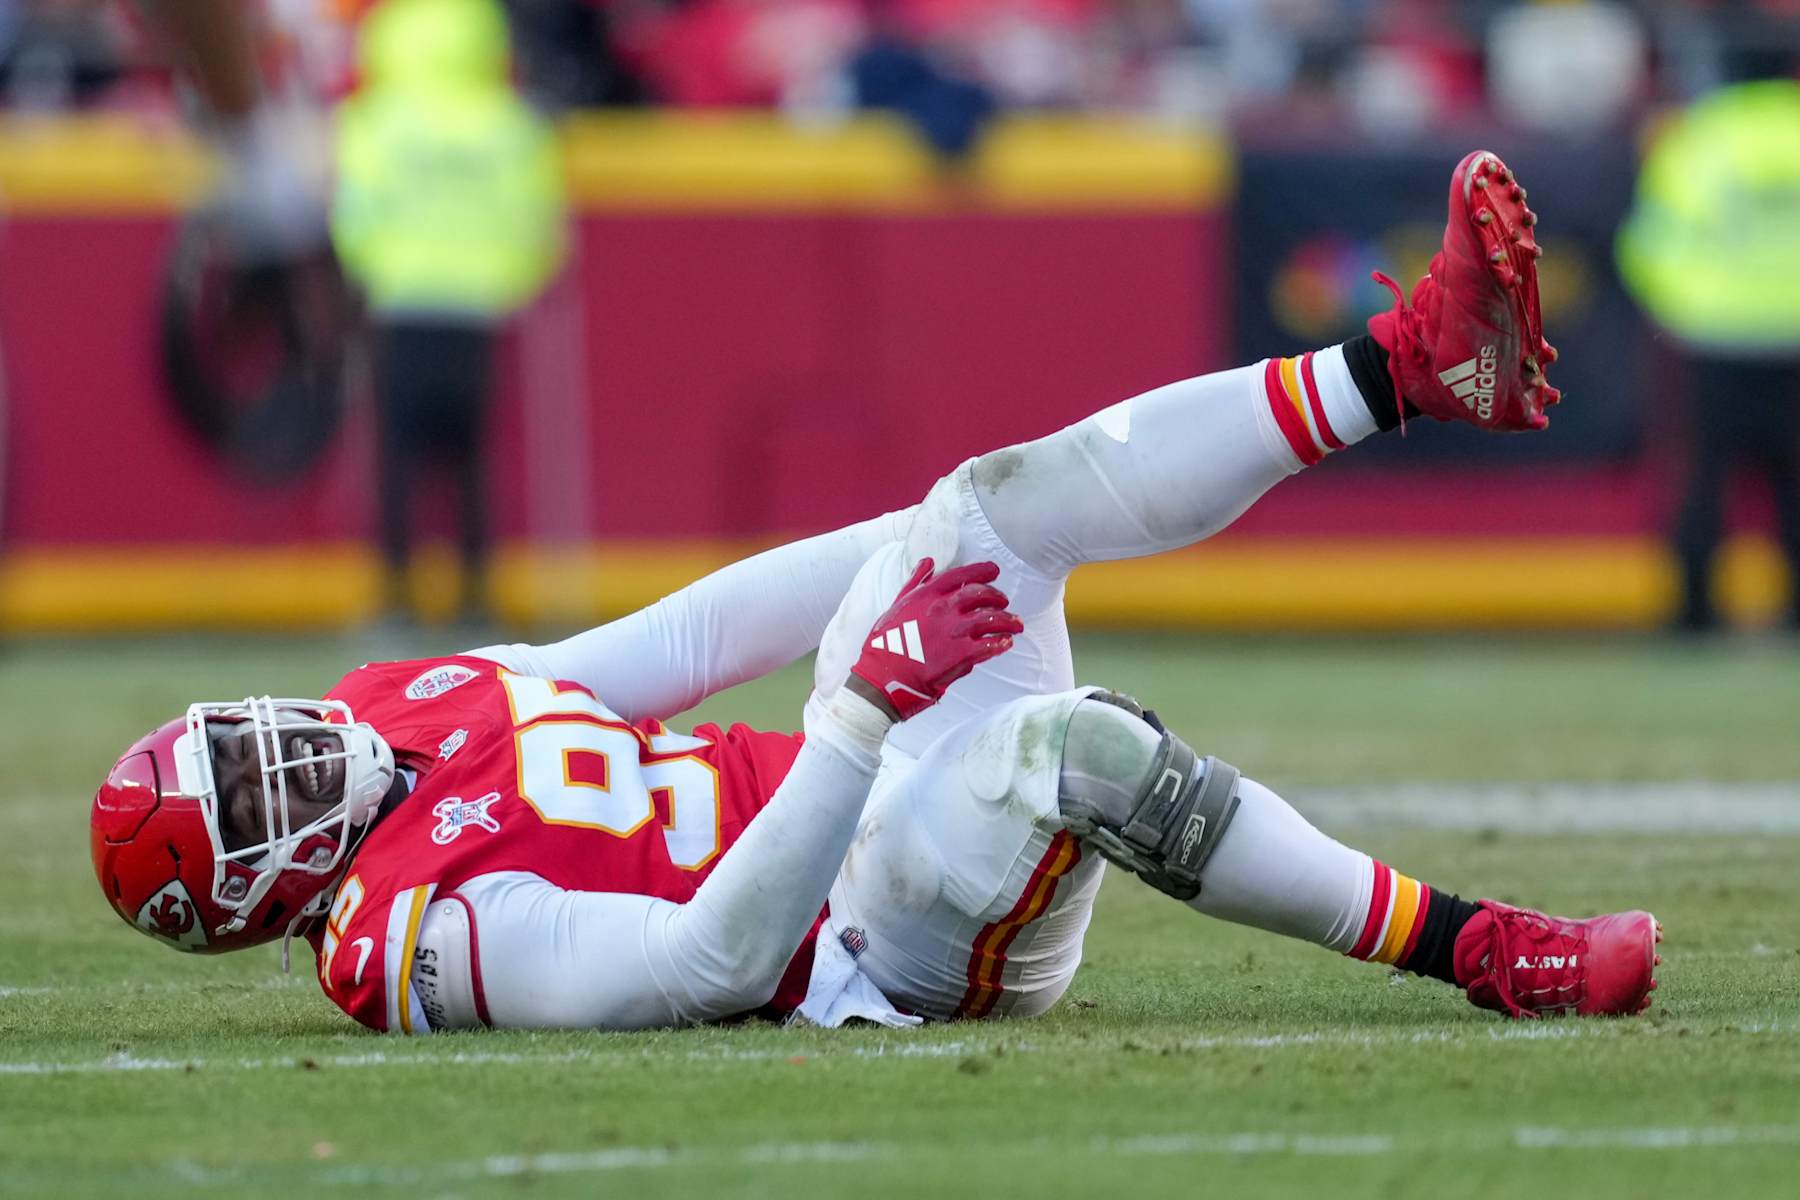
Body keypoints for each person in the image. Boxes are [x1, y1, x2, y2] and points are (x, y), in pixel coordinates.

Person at [91, 151, 1660, 1033]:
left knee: (991, 499)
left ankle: (1409, 361)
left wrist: (913, 549)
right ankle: (1483, 947)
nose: (282, 755)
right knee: (1080, 753)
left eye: (243, 741)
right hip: (865, 941)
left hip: (877, 775)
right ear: (259, 898)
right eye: (251, 799)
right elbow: (696, 968)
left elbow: (681, 643)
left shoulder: (397, 704)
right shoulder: (400, 938)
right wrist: (859, 702)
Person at [330, 0, 567, 623]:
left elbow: (354, 217)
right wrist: (505, 282)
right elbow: (538, 227)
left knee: (399, 458)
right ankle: (475, 595)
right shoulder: (511, 124)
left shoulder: (377, 121)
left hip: (401, 303)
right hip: (479, 310)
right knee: (469, 459)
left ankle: (397, 596)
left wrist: (374, 273)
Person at [1617, 68, 1800, 633]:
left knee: (1700, 483)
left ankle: (1695, 614)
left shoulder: (1698, 140)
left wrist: (1684, 313)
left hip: (1713, 341)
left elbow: (1649, 246)